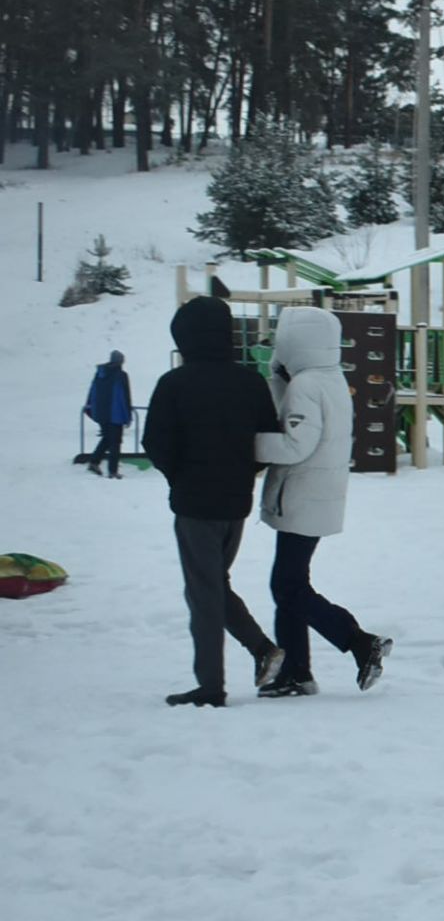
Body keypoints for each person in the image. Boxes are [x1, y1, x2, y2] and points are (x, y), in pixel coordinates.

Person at [141, 298, 283, 708]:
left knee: (203, 592)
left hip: (194, 503)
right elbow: (266, 441)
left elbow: (156, 442)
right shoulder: (250, 382)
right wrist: (241, 472)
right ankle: (261, 650)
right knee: (213, 585)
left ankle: (212, 686)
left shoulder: (174, 383)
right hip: (235, 501)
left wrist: (179, 476)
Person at [252, 307, 392, 698]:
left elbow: (295, 443)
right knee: (289, 585)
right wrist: (279, 379)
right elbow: (298, 419)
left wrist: (248, 444)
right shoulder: (327, 379)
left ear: (296, 341)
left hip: (302, 496)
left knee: (289, 587)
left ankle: (359, 642)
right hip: (316, 495)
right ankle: (297, 672)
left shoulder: (307, 385)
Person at [83, 349, 133, 475]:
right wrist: (127, 416)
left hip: (101, 413)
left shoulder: (100, 374)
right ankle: (113, 471)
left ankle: (94, 462)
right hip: (116, 414)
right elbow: (125, 397)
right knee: (115, 442)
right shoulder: (121, 375)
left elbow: (92, 391)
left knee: (106, 438)